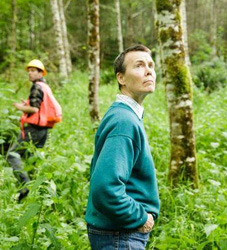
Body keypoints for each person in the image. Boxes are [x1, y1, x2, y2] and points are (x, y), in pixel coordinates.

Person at [85, 45, 160, 249]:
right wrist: (140, 217)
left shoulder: (125, 116)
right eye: (139, 65)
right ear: (121, 78)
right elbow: (105, 188)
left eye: (151, 65)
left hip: (118, 234)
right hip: (120, 235)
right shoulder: (124, 121)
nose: (149, 71)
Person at [7, 59, 52, 202]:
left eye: (34, 71)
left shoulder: (37, 87)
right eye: (29, 71)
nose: (30, 73)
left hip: (34, 129)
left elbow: (34, 109)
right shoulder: (44, 86)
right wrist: (25, 104)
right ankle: (36, 194)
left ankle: (25, 186)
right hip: (44, 130)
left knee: (12, 155)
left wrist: (20, 108)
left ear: (41, 73)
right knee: (31, 160)